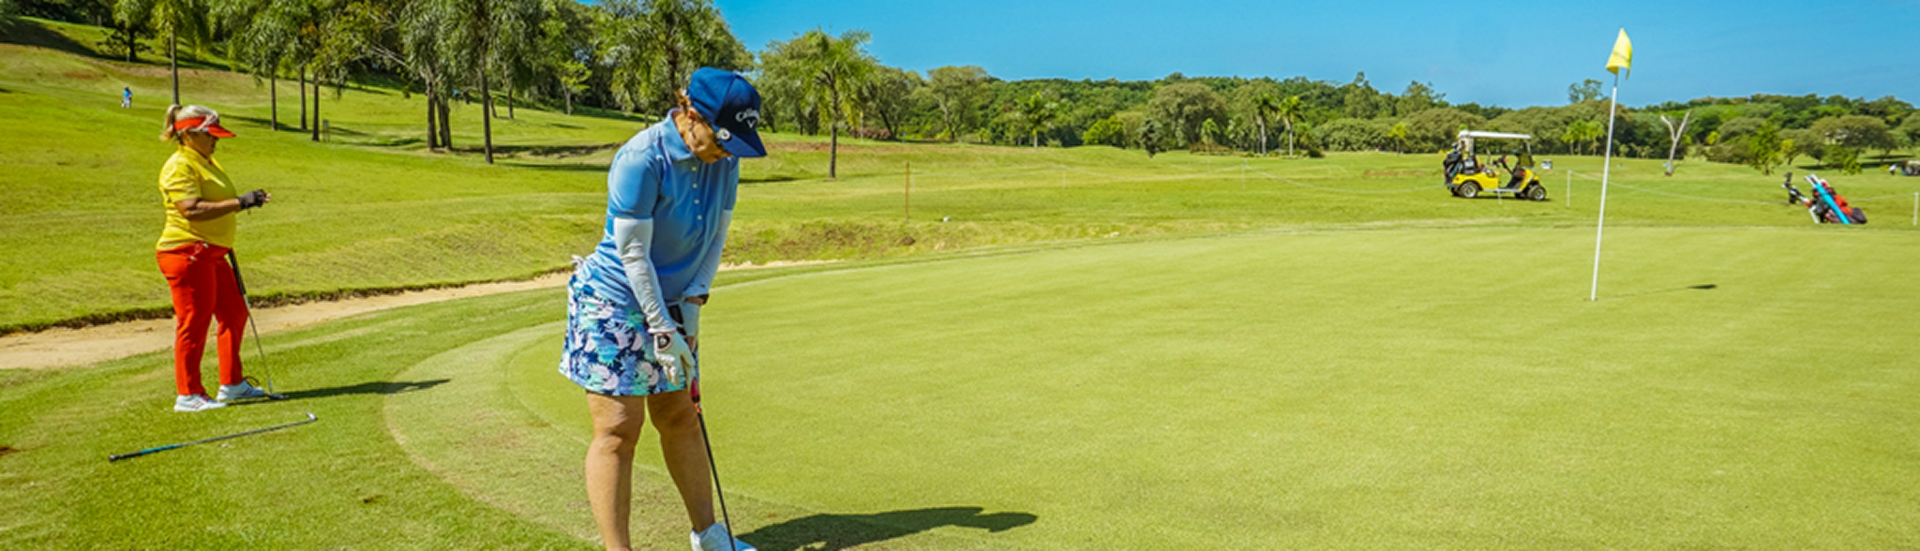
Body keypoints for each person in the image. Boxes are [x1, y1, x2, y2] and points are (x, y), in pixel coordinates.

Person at [559, 68, 765, 551]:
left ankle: (709, 536)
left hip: (672, 298)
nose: (725, 151)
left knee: (679, 414)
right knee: (617, 429)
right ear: (690, 112)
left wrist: (693, 301)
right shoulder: (640, 158)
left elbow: (717, 234)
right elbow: (633, 254)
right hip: (613, 300)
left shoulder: (725, 157)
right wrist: (660, 324)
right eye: (720, 137)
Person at [154, 105, 272, 412]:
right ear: (189, 134)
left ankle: (232, 385)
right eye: (210, 135)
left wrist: (245, 200)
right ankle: (188, 393)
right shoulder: (179, 165)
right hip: (187, 252)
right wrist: (241, 202)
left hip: (214, 253)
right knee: (194, 322)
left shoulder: (204, 160)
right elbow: (190, 208)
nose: (216, 141)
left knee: (234, 313)